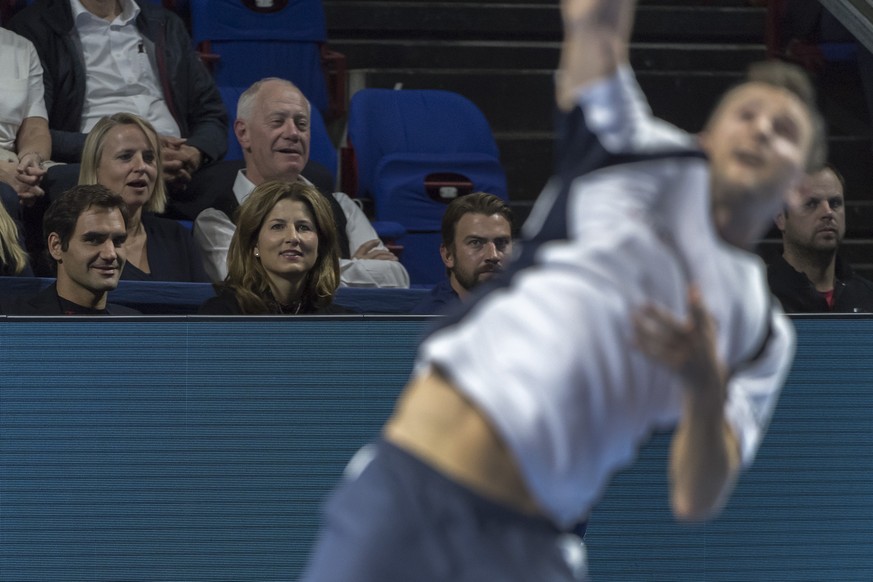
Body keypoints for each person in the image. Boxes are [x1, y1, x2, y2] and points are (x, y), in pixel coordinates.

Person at [299, 0, 823, 580]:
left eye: (785, 131)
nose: (761, 130)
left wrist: (702, 382)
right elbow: (594, 24)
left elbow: (696, 496)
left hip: (534, 548)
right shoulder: (629, 149)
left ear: (797, 186)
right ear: (707, 135)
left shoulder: (759, 330)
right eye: (747, 113)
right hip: (411, 490)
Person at [192, 77, 410, 288]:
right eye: (278, 122)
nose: (293, 133)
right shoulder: (216, 220)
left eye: (302, 124)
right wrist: (356, 269)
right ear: (243, 133)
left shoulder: (342, 206)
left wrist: (279, 270)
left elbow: (395, 278)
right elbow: (247, 282)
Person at [7, 0, 227, 196]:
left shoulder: (165, 23)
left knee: (236, 182)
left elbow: (212, 114)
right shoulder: (36, 27)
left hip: (178, 168)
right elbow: (35, 132)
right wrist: (125, 151)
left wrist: (192, 154)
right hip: (93, 164)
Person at [79, 112, 209, 282]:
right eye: (126, 157)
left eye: (149, 158)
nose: (141, 167)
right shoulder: (79, 239)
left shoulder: (177, 237)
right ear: (95, 167)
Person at [198, 180, 349, 315]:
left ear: (321, 244)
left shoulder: (342, 323)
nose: (293, 237)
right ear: (254, 244)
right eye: (277, 226)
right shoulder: (221, 316)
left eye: (303, 227)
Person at [1, 184, 138, 315]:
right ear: (56, 246)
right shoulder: (15, 321)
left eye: (118, 241)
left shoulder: (137, 327)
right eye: (94, 240)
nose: (111, 254)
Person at [768, 164, 873, 312]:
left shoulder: (867, 297)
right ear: (780, 217)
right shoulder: (757, 298)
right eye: (811, 204)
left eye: (835, 203)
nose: (828, 212)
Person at [411, 192, 513, 314]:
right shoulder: (430, 323)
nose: (493, 255)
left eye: (501, 242)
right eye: (475, 243)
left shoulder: (530, 309)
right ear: (448, 256)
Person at [0, 28, 52, 214]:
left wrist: (31, 160)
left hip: (13, 159)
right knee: (6, 194)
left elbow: (35, 129)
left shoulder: (22, 47)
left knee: (71, 182)